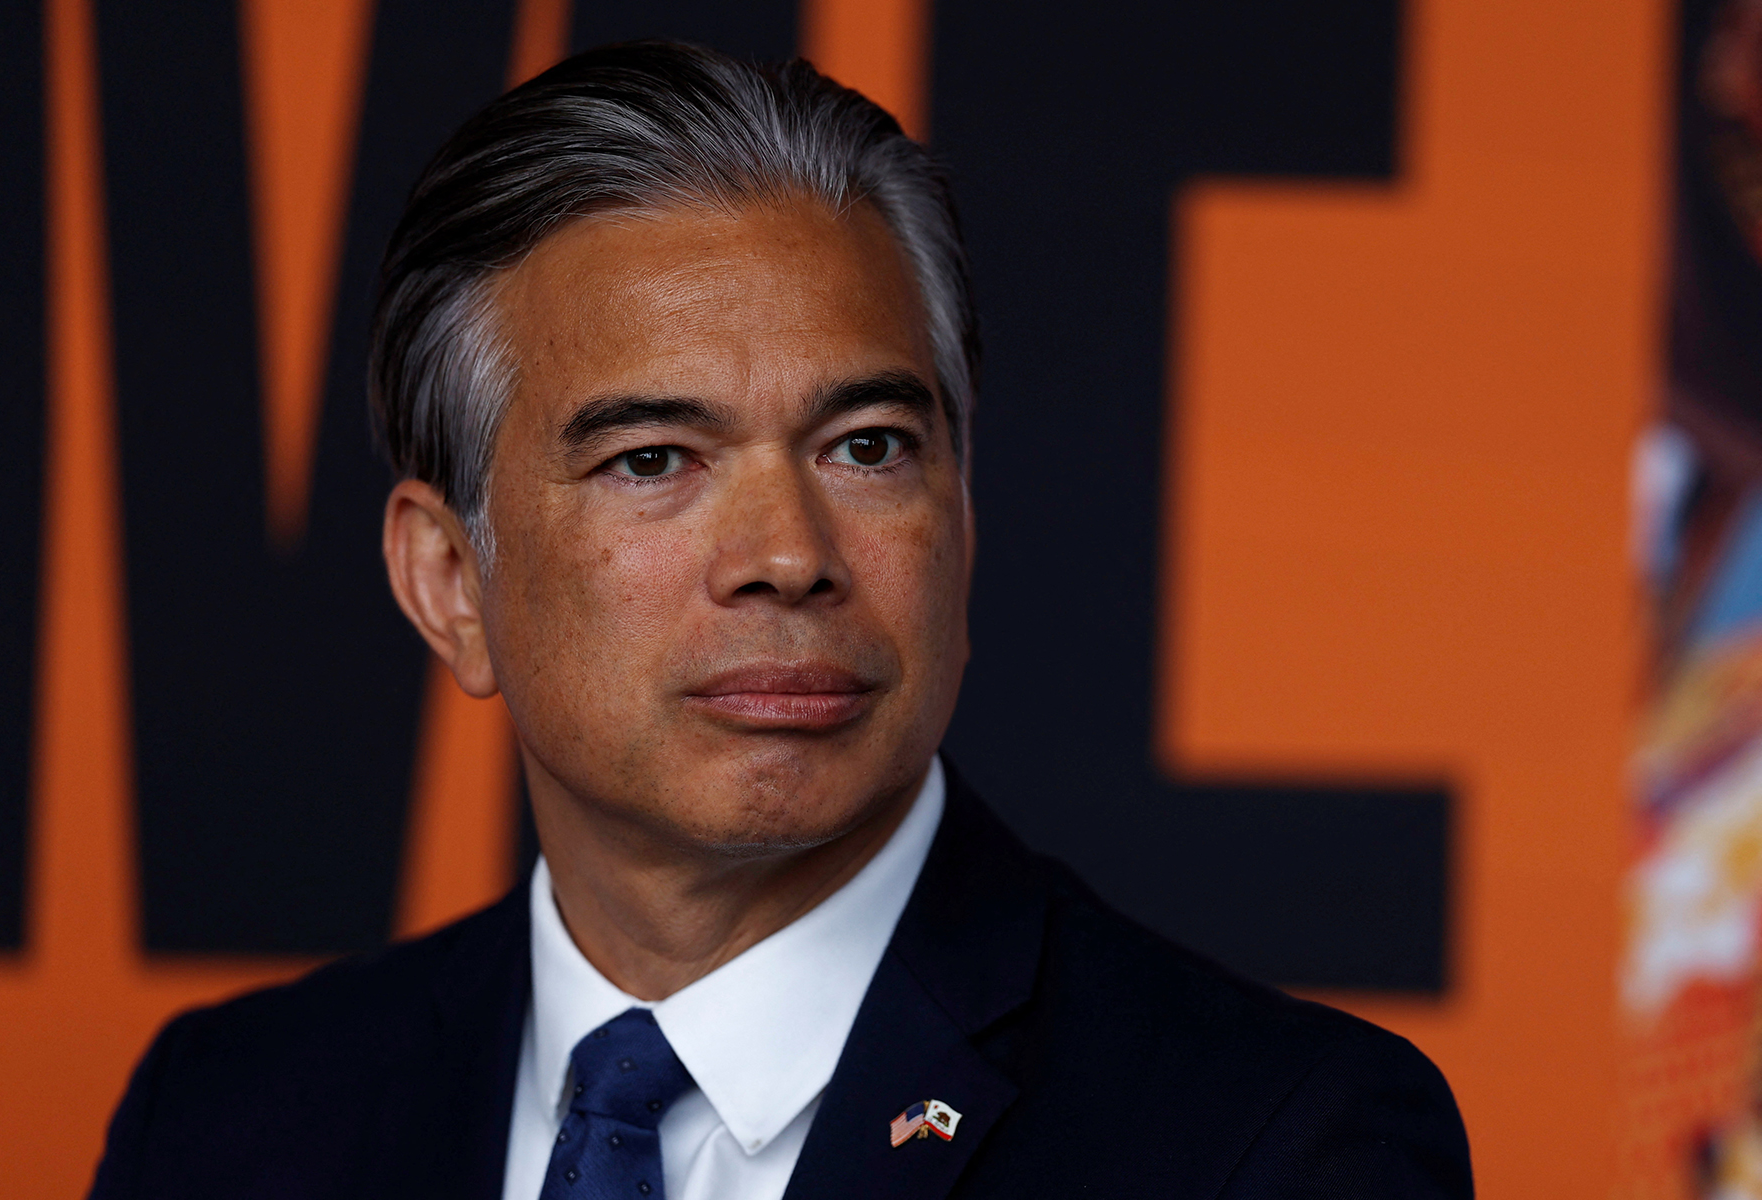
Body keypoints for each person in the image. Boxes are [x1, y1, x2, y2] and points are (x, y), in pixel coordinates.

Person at [87, 41, 1471, 1200]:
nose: (787, 558)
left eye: (867, 447)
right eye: (653, 462)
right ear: (451, 583)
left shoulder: (1273, 1142)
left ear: (965, 519)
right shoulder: (225, 1124)